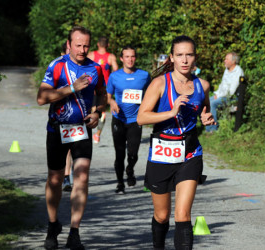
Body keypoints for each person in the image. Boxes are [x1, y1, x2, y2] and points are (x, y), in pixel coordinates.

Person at [137, 35, 215, 250]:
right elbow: (141, 117)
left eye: (189, 54)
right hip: (162, 152)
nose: (184, 60)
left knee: (183, 214)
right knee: (162, 216)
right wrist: (171, 112)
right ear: (171, 57)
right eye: (179, 55)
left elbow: (204, 111)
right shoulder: (160, 83)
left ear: (195, 57)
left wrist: (206, 118)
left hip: (190, 154)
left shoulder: (203, 85)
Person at [37, 26, 107, 250]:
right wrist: (71, 88)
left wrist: (97, 113)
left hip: (82, 129)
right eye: (78, 45)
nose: (82, 49)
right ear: (69, 44)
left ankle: (74, 232)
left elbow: (102, 94)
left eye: (86, 45)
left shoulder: (95, 68)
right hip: (58, 129)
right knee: (55, 180)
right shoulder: (57, 66)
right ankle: (52, 225)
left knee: (82, 178)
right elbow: (41, 98)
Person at [107, 45, 151, 194]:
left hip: (135, 120)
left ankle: (130, 169)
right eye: (127, 56)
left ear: (135, 58)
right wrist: (112, 102)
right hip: (119, 119)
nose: (130, 59)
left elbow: (151, 93)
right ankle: (120, 184)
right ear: (121, 59)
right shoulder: (114, 76)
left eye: (132, 56)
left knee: (133, 153)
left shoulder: (144, 75)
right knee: (119, 154)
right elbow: (108, 96)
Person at [87, 37, 118, 143]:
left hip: (93, 86)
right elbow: (116, 70)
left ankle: (89, 131)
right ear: (108, 45)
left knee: (92, 109)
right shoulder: (111, 57)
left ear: (97, 44)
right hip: (105, 88)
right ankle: (98, 134)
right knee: (102, 111)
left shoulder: (91, 55)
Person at [206, 52, 244, 132]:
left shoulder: (238, 72)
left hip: (231, 98)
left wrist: (219, 96)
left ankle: (213, 129)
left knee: (212, 103)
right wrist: (217, 93)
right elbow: (222, 85)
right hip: (222, 95)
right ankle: (208, 128)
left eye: (227, 59)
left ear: (233, 61)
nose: (224, 61)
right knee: (206, 101)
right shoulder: (227, 70)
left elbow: (231, 91)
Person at [60, 41, 73, 192]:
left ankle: (73, 176)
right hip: (63, 115)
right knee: (67, 148)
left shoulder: (85, 67)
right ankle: (66, 176)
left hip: (81, 116)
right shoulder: (57, 69)